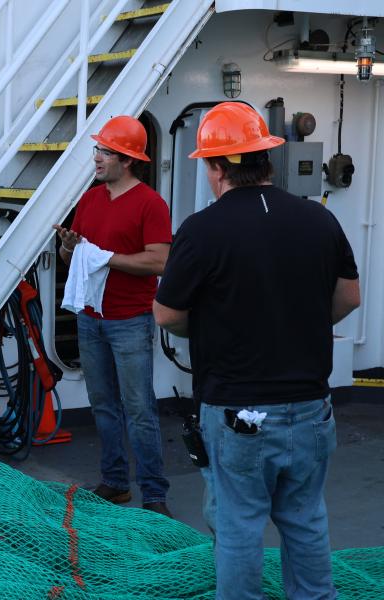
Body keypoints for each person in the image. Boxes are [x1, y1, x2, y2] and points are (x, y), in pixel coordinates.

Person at [154, 102, 360, 600]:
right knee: (306, 519)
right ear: (265, 159)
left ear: (218, 166)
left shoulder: (201, 231)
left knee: (240, 525)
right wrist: (299, 324)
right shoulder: (318, 219)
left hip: (236, 411)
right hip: (312, 406)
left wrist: (214, 329)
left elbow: (166, 314)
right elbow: (349, 298)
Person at [53, 115, 172, 517]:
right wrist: (70, 247)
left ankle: (155, 494)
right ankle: (117, 483)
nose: (97, 158)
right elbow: (75, 260)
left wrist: (106, 258)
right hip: (91, 318)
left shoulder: (150, 204)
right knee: (103, 404)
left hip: (129, 321)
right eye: (98, 150)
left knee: (139, 409)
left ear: (127, 159)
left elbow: (159, 262)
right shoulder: (89, 200)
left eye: (105, 152)